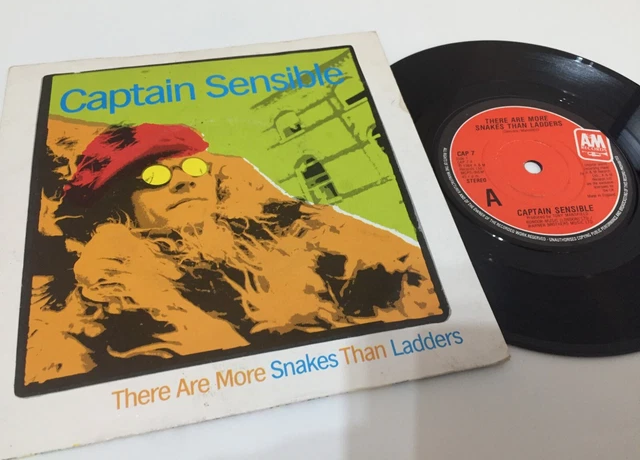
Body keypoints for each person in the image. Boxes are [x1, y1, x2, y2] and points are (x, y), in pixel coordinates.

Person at [25, 122, 443, 385]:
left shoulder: (286, 232)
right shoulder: (111, 288)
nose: (184, 182)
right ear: (120, 208)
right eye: (153, 177)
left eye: (193, 168)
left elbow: (415, 280)